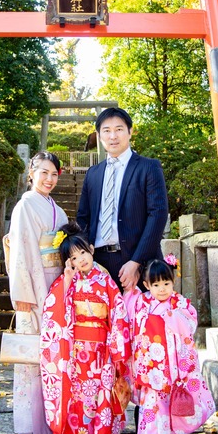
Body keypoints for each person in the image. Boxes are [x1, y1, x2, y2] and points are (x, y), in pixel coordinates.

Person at [38, 223, 131, 434]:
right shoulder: (65, 282)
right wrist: (68, 280)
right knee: (70, 396)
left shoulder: (107, 282)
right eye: (73, 258)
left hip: (101, 352)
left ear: (91, 250)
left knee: (100, 397)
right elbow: (54, 311)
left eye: (83, 253)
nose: (80, 260)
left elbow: (117, 314)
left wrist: (116, 348)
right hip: (74, 353)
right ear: (68, 263)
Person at [122, 255, 216, 434]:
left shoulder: (181, 305)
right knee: (152, 415)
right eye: (155, 285)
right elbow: (127, 320)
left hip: (175, 373)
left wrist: (170, 314)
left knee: (174, 412)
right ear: (146, 285)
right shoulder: (140, 303)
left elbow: (189, 328)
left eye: (166, 283)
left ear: (173, 282)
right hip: (151, 373)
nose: (162, 289)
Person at [6, 151, 68, 434]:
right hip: (32, 285)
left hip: (56, 284)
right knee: (32, 357)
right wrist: (22, 293)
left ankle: (54, 421)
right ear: (31, 173)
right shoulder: (25, 206)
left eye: (54, 174)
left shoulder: (58, 210)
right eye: (43, 172)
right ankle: (28, 426)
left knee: (54, 355)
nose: (49, 179)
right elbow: (21, 251)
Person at [76, 107, 169, 294]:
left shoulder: (148, 167)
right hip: (98, 264)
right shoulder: (93, 174)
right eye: (107, 131)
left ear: (130, 131)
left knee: (141, 321)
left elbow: (157, 215)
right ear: (99, 135)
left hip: (139, 261)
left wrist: (136, 262)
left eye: (119, 129)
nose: (113, 136)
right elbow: (83, 217)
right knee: (102, 322)